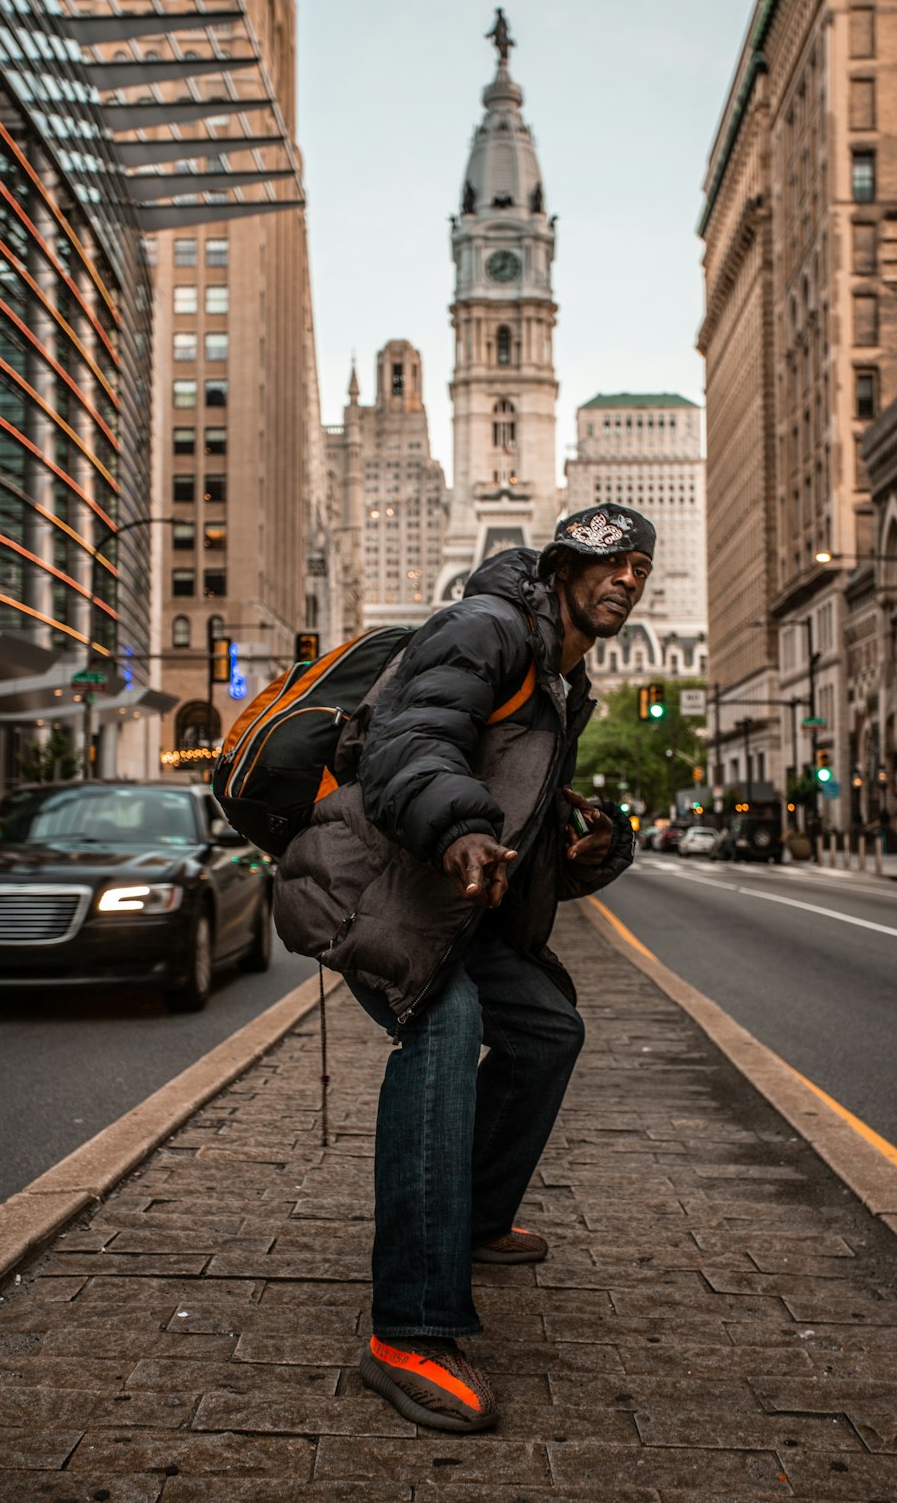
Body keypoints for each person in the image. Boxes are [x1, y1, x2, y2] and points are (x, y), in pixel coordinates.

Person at [274, 503, 655, 1434]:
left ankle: (473, 1219)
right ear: (561, 567)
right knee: (445, 1033)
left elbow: (518, 807)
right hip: (377, 888)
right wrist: (461, 825)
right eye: (609, 565)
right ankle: (409, 1328)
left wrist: (593, 841)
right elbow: (412, 741)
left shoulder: (565, 681)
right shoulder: (486, 628)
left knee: (549, 1028)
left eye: (640, 571)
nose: (626, 583)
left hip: (453, 900)